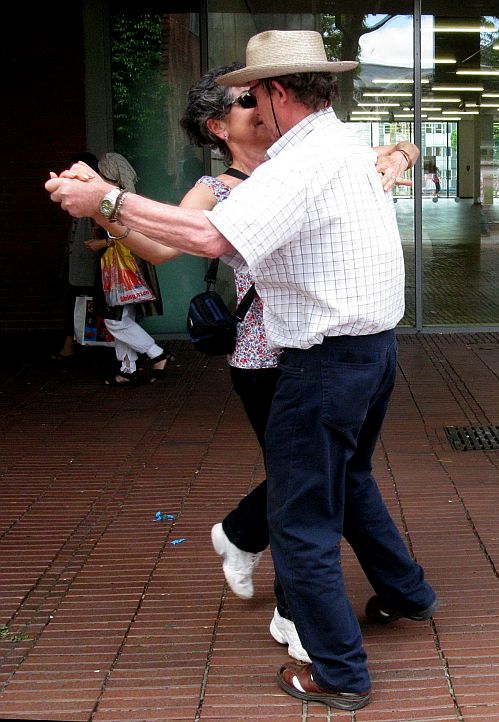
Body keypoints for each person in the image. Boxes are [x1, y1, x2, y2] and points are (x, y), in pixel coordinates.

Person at [46, 29, 437, 711]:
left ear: (278, 92)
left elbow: (207, 237)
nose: (252, 106)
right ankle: (404, 592)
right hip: (371, 352)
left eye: (255, 93)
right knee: (345, 481)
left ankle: (339, 671)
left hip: (324, 361)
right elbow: (188, 234)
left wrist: (106, 201)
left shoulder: (297, 162)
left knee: (299, 519)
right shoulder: (337, 145)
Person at [93, 152, 170, 385]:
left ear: (111, 176)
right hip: (129, 266)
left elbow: (122, 233)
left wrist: (103, 242)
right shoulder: (129, 198)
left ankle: (157, 354)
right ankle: (128, 368)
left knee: (115, 320)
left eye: (102, 173)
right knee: (124, 317)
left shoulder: (115, 200)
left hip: (123, 268)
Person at [53, 152, 103, 362]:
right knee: (75, 302)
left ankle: (74, 346)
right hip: (79, 261)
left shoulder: (96, 196)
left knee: (86, 303)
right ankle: (72, 344)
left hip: (90, 261)